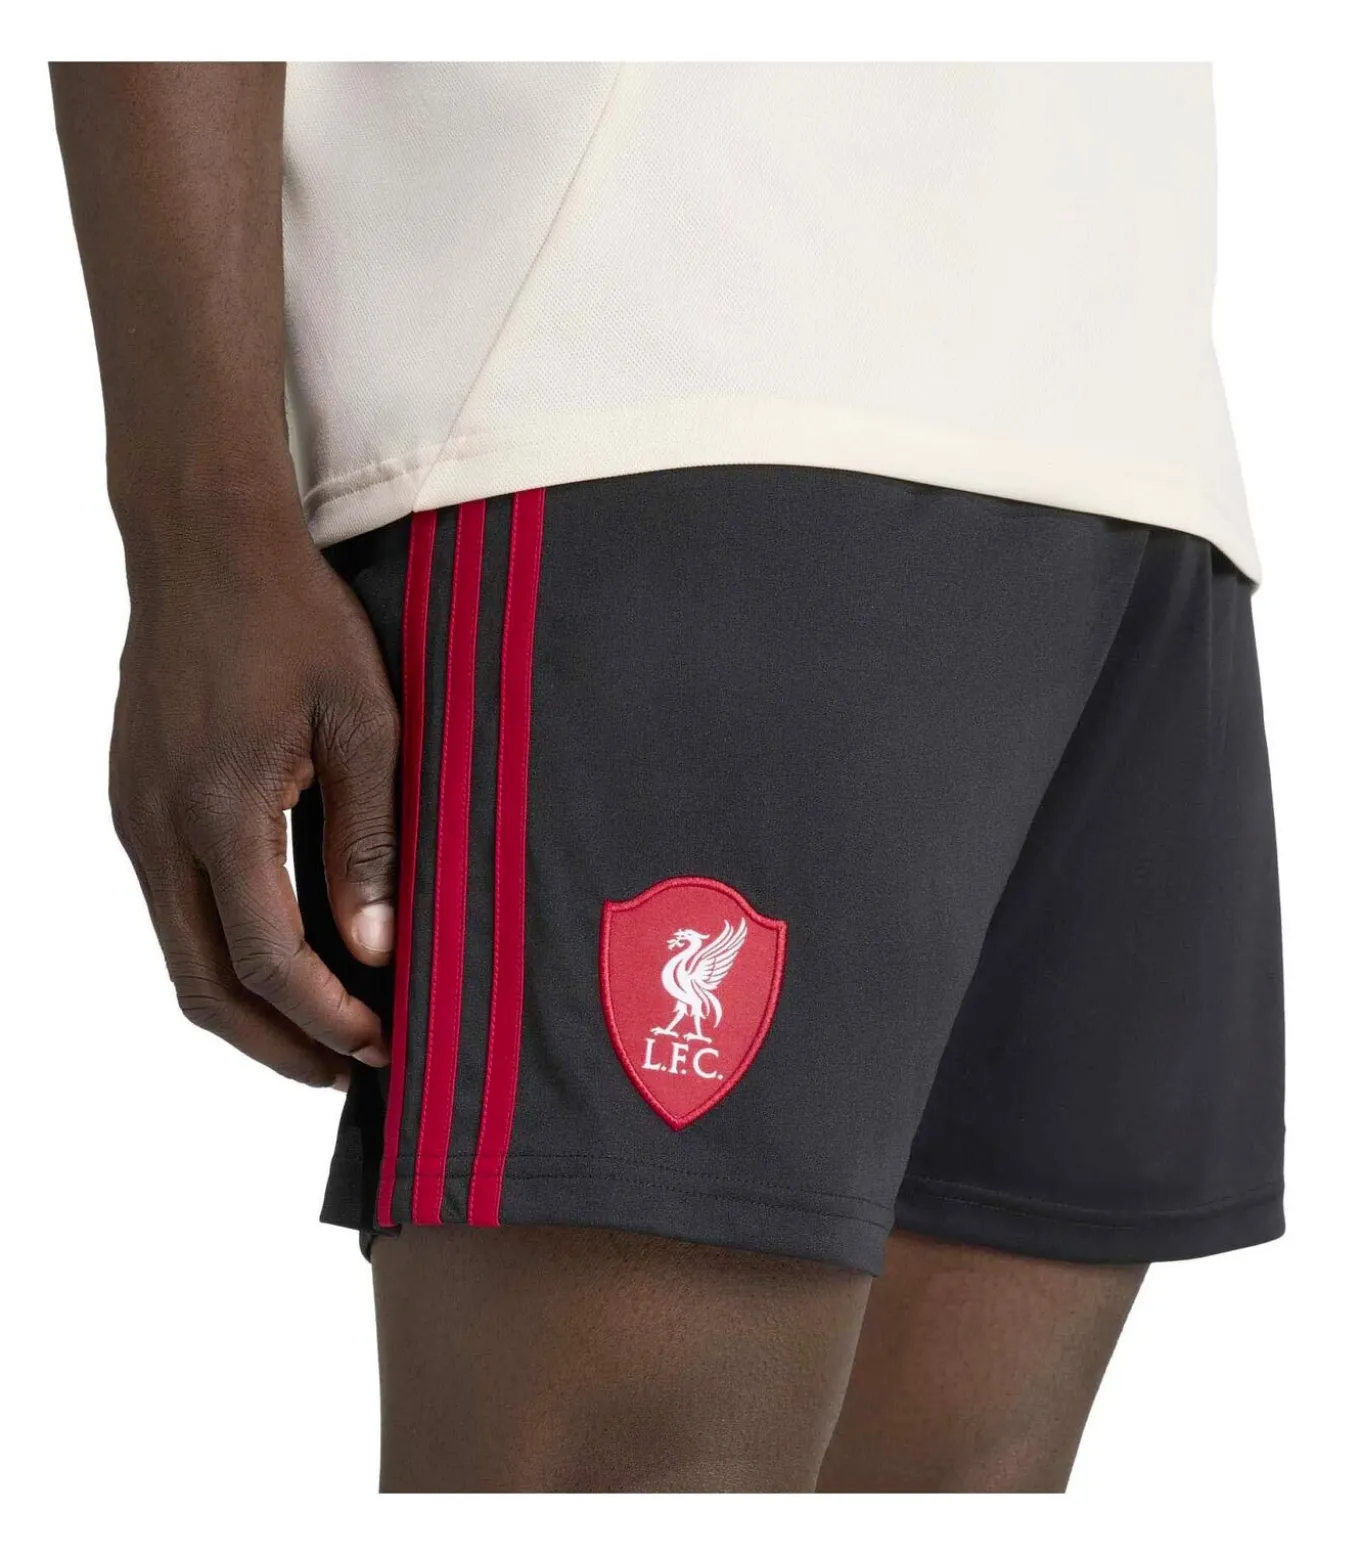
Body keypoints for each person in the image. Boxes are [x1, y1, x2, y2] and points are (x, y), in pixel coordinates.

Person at [50, 62, 1284, 1493]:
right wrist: (199, 526)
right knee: (626, 1472)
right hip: (643, 372)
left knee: (957, 1479)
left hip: (1133, 439)